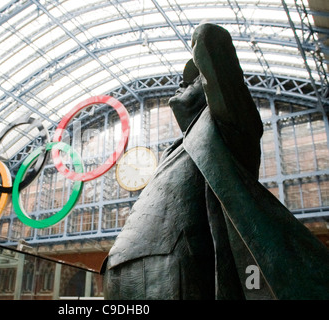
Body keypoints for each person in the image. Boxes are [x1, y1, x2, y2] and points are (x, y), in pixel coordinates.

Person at [102, 23, 329, 300]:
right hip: (124, 269)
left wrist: (203, 51)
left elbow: (210, 37)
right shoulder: (176, 148)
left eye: (194, 78)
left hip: (168, 268)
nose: (182, 82)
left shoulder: (228, 125)